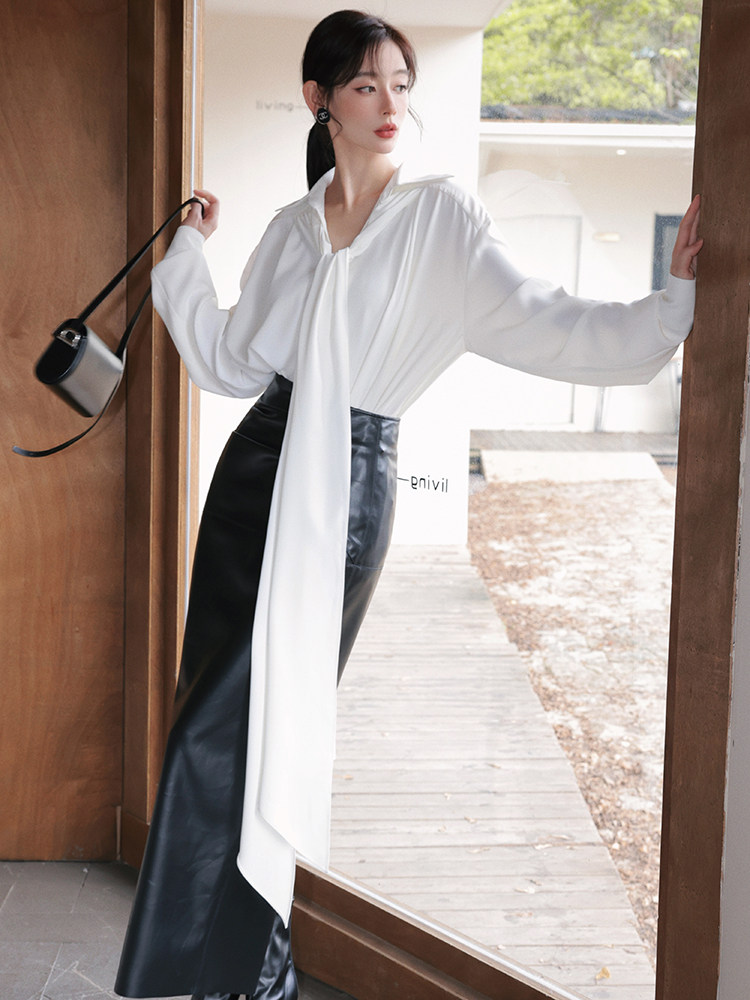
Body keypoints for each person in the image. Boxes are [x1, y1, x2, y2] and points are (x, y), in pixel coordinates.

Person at [115, 9, 702, 1000]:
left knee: (267, 725)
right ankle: (226, 972)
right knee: (205, 718)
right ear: (321, 101)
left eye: (399, 84)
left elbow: (548, 322)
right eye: (364, 85)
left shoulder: (441, 220)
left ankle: (247, 971)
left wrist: (670, 305)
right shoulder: (293, 228)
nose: (390, 104)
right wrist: (187, 254)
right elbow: (226, 359)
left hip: (346, 482)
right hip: (255, 475)